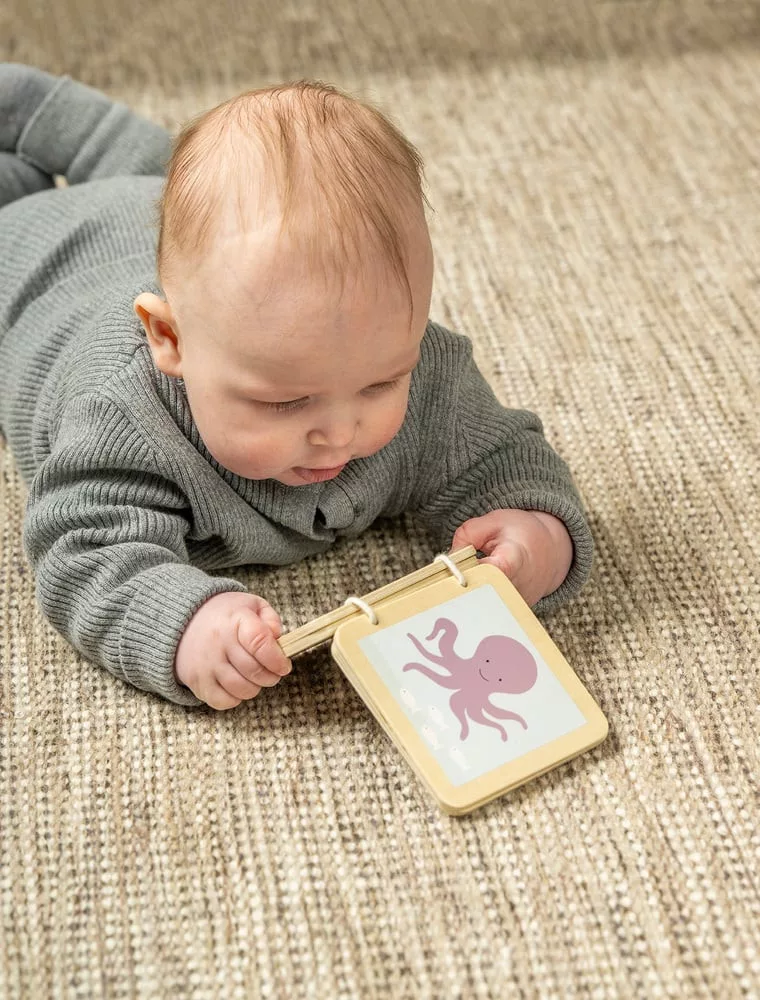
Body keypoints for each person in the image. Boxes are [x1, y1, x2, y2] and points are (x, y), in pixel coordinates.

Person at [0, 64, 594, 710]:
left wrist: (537, 535)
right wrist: (183, 624)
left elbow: (504, 457)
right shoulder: (120, 417)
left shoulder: (424, 371)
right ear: (170, 340)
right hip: (29, 266)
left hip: (140, 210)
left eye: (380, 384)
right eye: (283, 401)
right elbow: (83, 548)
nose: (339, 433)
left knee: (152, 182)